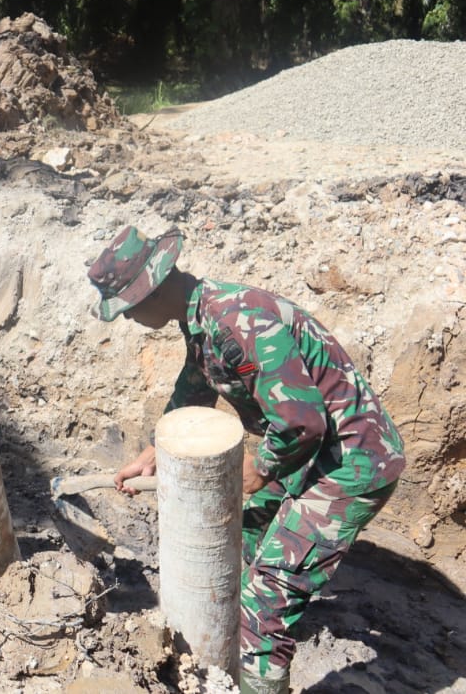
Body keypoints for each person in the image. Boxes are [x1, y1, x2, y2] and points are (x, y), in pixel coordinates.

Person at [87, 225, 404, 694]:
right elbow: (195, 387)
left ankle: (258, 659)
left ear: (151, 291)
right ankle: (233, 660)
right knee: (244, 535)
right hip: (307, 455)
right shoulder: (202, 317)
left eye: (129, 307)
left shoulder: (236, 320)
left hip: (352, 462)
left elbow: (302, 422)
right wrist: (153, 452)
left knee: (263, 607)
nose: (130, 318)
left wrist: (258, 471)